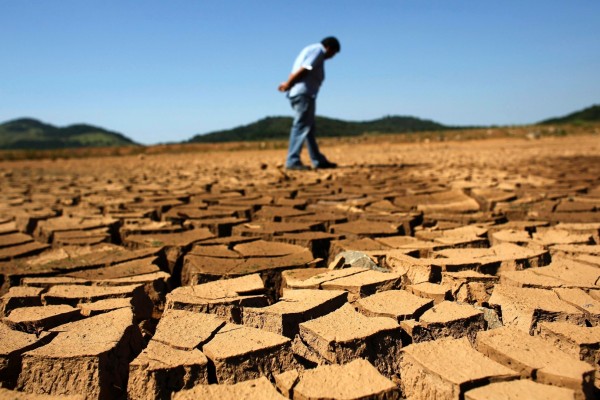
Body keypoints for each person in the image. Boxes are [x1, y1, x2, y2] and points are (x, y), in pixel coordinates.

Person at [278, 36, 341, 170]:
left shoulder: (308, 49)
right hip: (304, 94)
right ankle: (292, 161)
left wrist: (289, 83)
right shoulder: (318, 51)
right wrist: (289, 83)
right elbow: (306, 68)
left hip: (299, 93)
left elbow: (297, 69)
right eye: (333, 53)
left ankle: (318, 160)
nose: (331, 57)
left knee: (308, 128)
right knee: (301, 126)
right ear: (329, 47)